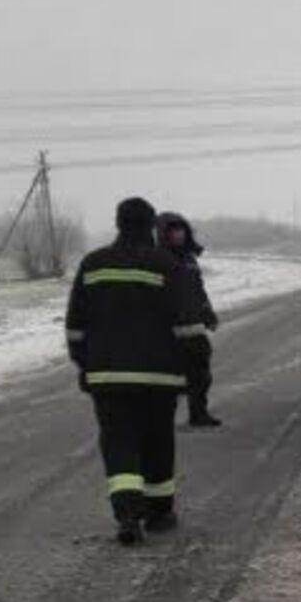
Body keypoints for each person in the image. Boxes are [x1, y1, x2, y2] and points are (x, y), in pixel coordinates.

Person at [65, 197, 205, 545]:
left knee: (118, 441)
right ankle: (159, 512)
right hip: (160, 378)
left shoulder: (93, 264)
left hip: (108, 378)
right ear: (151, 226)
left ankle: (127, 512)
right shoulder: (167, 265)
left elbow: (75, 327)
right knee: (158, 440)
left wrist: (86, 365)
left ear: (118, 223)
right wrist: (195, 370)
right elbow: (189, 326)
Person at [157, 211, 221, 427]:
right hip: (168, 331)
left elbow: (198, 290)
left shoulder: (190, 259)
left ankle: (198, 414)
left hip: (194, 327)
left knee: (201, 375)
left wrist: (208, 313)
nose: (179, 234)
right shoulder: (156, 259)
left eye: (182, 229)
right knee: (168, 379)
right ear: (164, 233)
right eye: (174, 230)